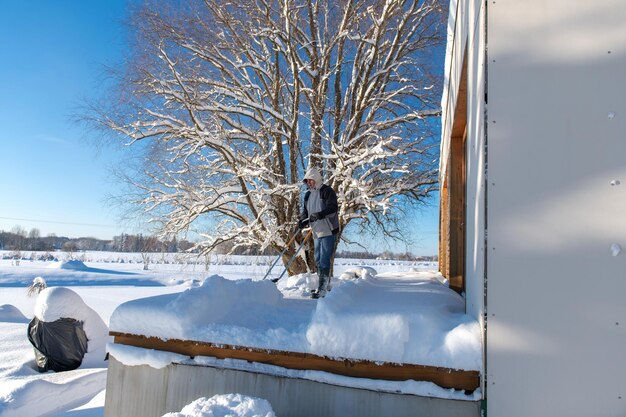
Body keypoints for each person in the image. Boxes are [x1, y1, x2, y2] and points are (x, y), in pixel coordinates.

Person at [298, 166, 340, 298]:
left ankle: (322, 288)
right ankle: (323, 286)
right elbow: (305, 212)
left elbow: (333, 208)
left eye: (311, 180)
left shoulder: (327, 191)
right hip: (316, 230)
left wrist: (320, 214)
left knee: (324, 259)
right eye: (307, 181)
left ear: (316, 179)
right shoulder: (308, 195)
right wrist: (303, 221)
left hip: (328, 229)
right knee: (317, 258)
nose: (309, 183)